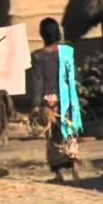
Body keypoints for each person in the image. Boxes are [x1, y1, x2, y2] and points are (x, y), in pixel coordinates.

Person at [30, 18, 83, 183]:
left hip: (49, 101)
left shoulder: (38, 56)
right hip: (67, 98)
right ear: (58, 32)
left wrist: (35, 104)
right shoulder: (67, 52)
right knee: (69, 132)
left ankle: (59, 172)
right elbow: (73, 77)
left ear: (42, 34)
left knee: (52, 136)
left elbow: (38, 81)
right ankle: (74, 164)